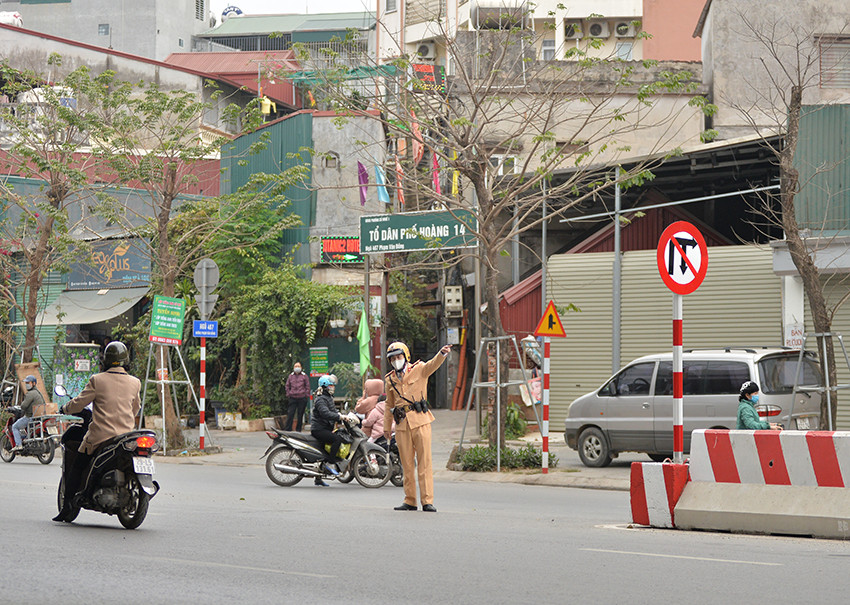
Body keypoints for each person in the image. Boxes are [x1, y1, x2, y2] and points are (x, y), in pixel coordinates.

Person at [53, 341, 141, 522]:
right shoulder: (135, 382)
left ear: (106, 360)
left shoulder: (97, 380)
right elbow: (135, 408)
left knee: (77, 465)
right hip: (126, 437)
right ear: (125, 360)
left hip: (100, 436)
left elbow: (79, 403)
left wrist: (65, 408)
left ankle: (67, 506)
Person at [384, 341, 451, 512]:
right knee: (406, 464)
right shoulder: (390, 379)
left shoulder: (419, 369)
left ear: (406, 356)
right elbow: (388, 404)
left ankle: (427, 501)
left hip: (421, 421)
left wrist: (442, 354)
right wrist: (386, 427)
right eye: (392, 358)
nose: (396, 361)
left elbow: (432, 365)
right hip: (401, 425)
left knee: (424, 463)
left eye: (399, 357)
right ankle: (410, 500)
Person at [310, 375, 356, 487]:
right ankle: (330, 464)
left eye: (333, 385)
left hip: (325, 428)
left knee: (323, 452)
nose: (333, 387)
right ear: (325, 386)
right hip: (319, 429)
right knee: (337, 440)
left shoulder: (328, 398)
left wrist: (342, 416)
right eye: (331, 385)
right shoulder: (321, 399)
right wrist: (339, 417)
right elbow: (325, 413)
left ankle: (318, 478)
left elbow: (333, 411)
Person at [12, 375, 43, 451]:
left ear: (33, 383)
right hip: (39, 417)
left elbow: (24, 406)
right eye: (26, 383)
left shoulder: (30, 394)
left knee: (14, 427)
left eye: (28, 383)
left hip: (30, 417)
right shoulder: (38, 393)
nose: (26, 384)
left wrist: (21, 406)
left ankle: (18, 445)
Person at [284, 361, 310, 432]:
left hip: (302, 397)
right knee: (290, 413)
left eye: (298, 366)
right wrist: (288, 394)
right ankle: (288, 429)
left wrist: (306, 395)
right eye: (296, 366)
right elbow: (287, 386)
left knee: (300, 414)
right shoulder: (290, 376)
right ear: (293, 368)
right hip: (292, 398)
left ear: (301, 367)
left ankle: (298, 430)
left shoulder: (304, 376)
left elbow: (307, 386)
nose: (297, 368)